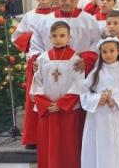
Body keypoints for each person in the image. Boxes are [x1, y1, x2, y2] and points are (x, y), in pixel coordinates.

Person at [30, 21, 84, 168]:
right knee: (48, 145)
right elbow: (37, 84)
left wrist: (61, 104)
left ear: (69, 38)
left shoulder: (76, 60)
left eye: (62, 35)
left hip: (68, 111)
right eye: (54, 36)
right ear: (50, 38)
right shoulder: (42, 59)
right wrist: (47, 105)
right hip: (48, 111)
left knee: (69, 144)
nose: (58, 38)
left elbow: (79, 85)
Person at [80, 37, 119, 168]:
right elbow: (84, 92)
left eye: (111, 51)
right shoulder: (96, 73)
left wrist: (117, 100)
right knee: (100, 145)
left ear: (118, 51)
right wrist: (96, 99)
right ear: (100, 54)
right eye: (104, 52)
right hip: (99, 116)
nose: (108, 54)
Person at [11, 0, 55, 148]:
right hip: (36, 60)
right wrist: (34, 38)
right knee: (34, 97)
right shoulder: (29, 16)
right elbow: (17, 37)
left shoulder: (57, 15)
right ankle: (33, 137)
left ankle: (51, 134)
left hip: (56, 60)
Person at [29, 0, 100, 74]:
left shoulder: (89, 21)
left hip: (79, 71)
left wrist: (87, 59)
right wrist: (36, 59)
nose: (67, 2)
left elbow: (97, 44)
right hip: (50, 72)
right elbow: (36, 45)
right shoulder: (45, 21)